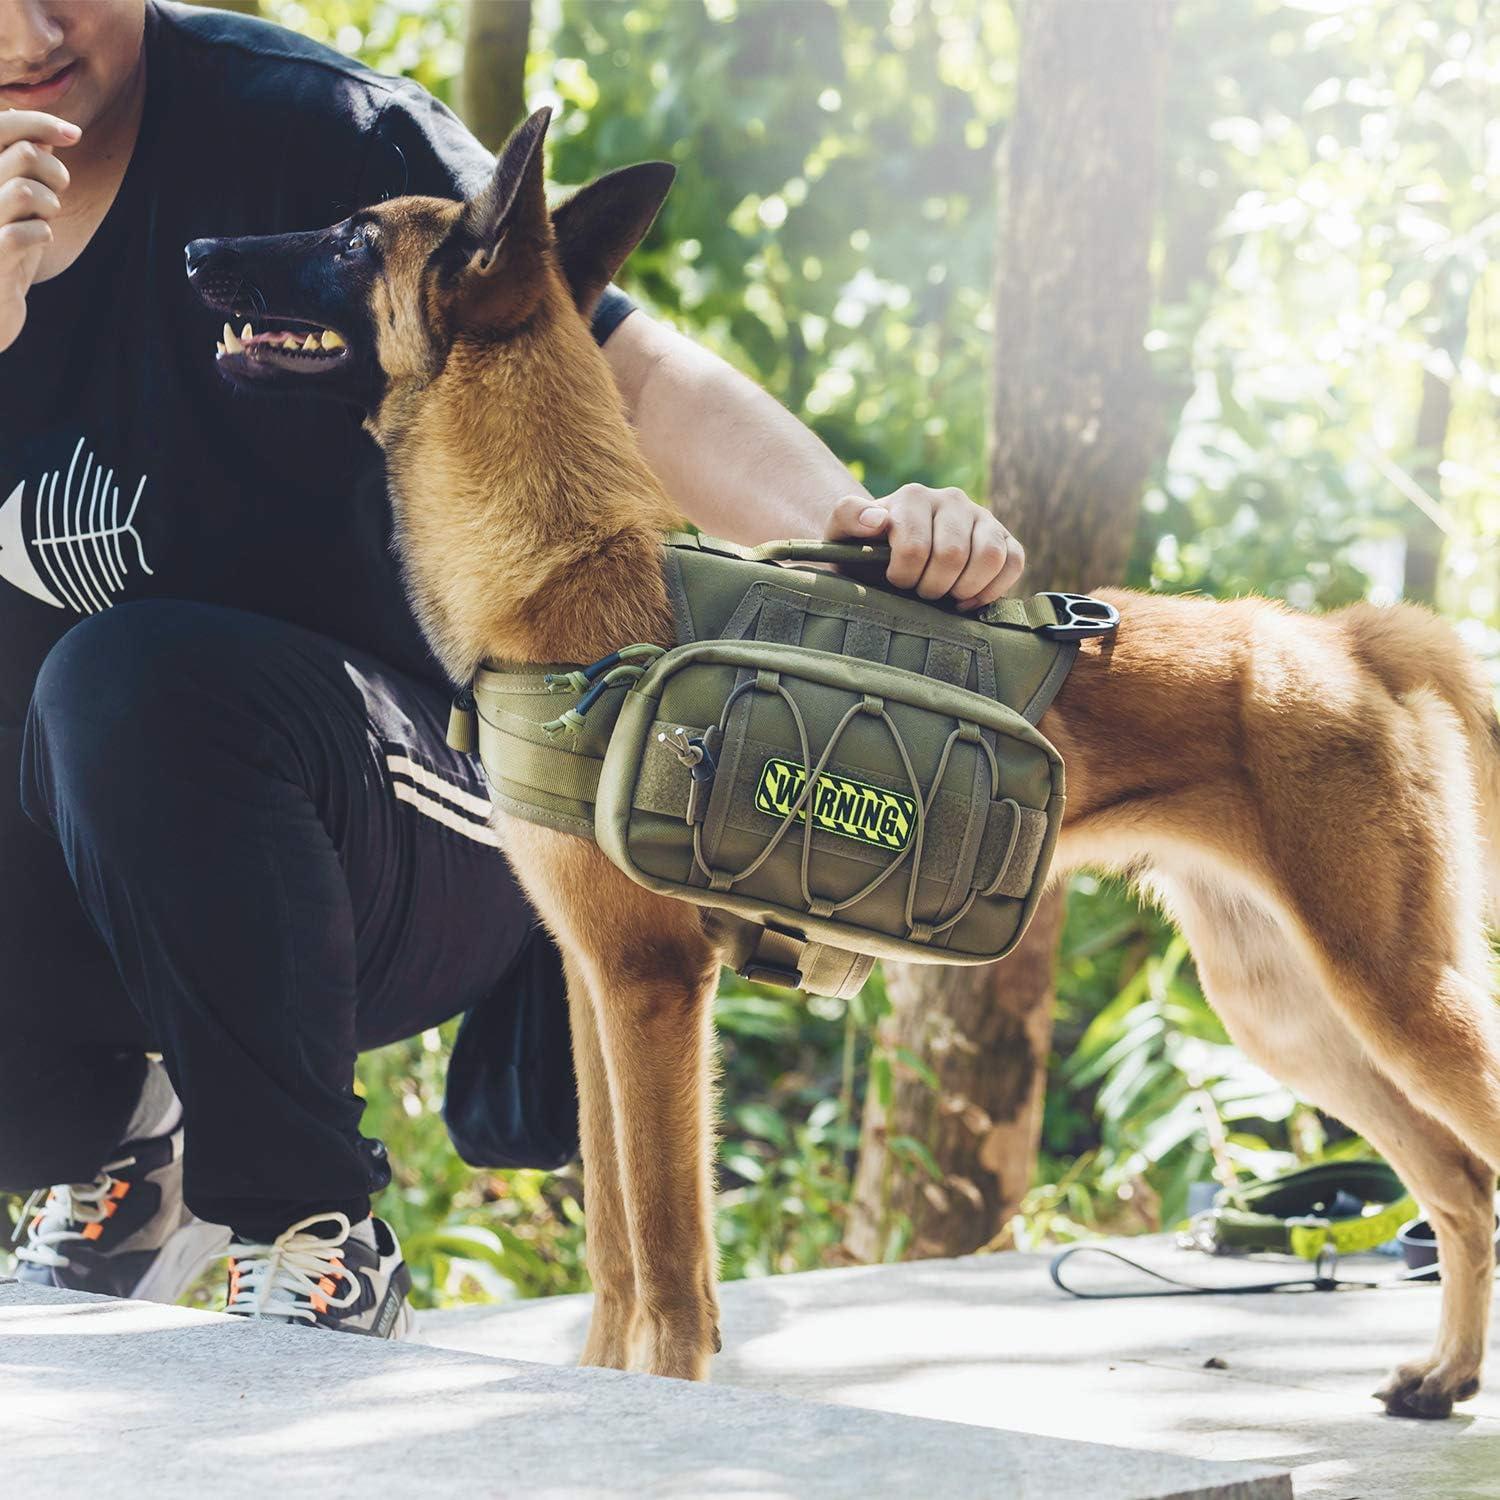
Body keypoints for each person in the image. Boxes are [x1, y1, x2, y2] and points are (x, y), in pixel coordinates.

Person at [0, 0, 1025, 1336]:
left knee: (128, 683)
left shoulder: (318, 130)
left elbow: (624, 376)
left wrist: (858, 532)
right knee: (100, 712)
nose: (28, 31)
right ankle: (131, 1143)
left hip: (437, 807)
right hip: (106, 844)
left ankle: (305, 1227)